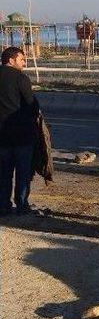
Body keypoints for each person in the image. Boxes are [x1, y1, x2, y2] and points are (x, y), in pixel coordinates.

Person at [0, 47, 39, 216]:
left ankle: (3, 205)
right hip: (22, 135)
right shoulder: (21, 78)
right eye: (22, 59)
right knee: (23, 173)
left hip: (1, 136)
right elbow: (32, 105)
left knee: (3, 174)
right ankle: (22, 205)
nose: (24, 62)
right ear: (11, 60)